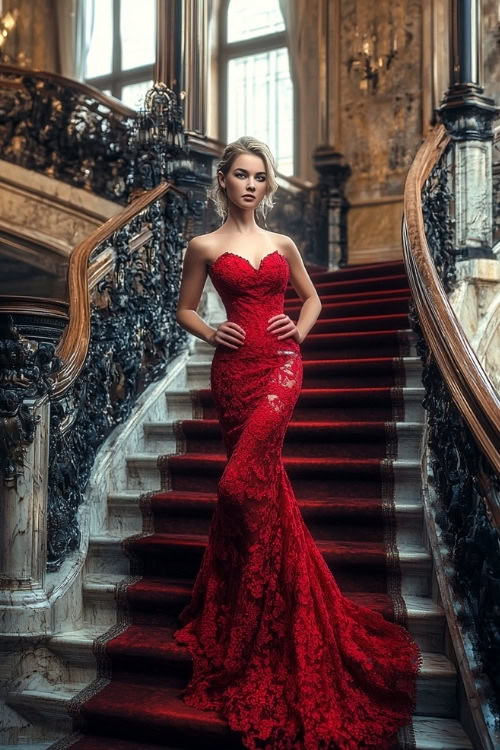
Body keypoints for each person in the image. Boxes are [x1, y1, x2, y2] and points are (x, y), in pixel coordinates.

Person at [173, 136, 421, 750]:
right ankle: (257, 607)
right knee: (259, 488)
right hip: (234, 372)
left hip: (282, 369)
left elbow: (311, 298)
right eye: (240, 175)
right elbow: (183, 311)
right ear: (223, 181)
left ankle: (264, 606)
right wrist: (213, 334)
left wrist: (298, 331)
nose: (251, 184)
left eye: (260, 176)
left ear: (268, 184)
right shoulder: (204, 245)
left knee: (240, 482)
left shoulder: (282, 245)